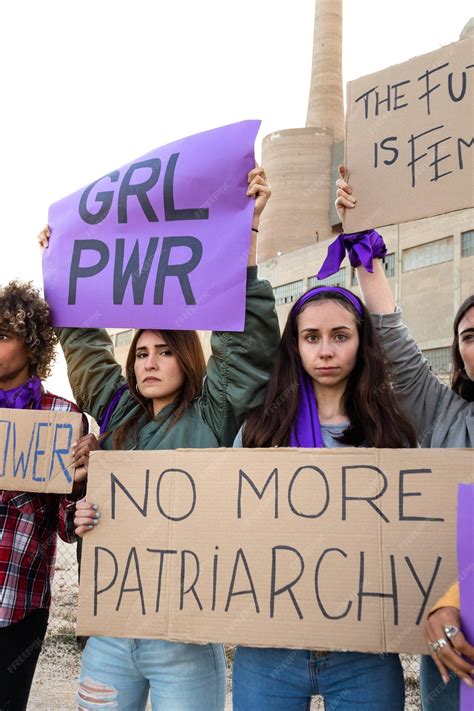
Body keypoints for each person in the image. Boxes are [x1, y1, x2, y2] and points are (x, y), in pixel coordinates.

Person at [39, 167, 280, 710]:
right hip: (111, 634)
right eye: (142, 352)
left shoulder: (214, 412)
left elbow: (245, 347)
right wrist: (61, 268)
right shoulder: (116, 412)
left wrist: (247, 238)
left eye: (165, 351)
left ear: (187, 356)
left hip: (187, 639)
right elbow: (82, 347)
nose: (150, 362)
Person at [232, 281, 418, 710]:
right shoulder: (260, 432)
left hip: (365, 654)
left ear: (361, 342)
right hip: (269, 650)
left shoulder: (390, 436)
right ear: (295, 347)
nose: (326, 351)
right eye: (311, 338)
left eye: (340, 336)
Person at [334, 165, 474, 710]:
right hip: (452, 643)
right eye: (469, 335)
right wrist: (362, 238)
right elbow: (391, 335)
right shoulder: (441, 413)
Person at [0, 280, 90, 711]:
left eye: (2, 334)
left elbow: (67, 529)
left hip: (18, 603)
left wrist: (76, 485)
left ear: (31, 343)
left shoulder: (62, 418)